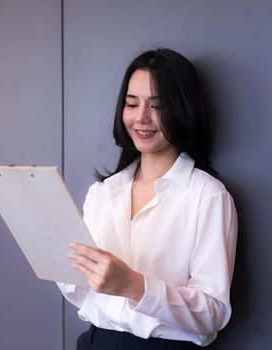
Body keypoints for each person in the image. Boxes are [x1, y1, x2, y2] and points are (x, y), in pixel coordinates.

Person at [57, 48, 238, 349]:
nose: (141, 118)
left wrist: (134, 285)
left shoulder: (208, 196)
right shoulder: (101, 194)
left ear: (182, 109)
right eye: (132, 103)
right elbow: (79, 291)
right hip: (96, 341)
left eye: (157, 106)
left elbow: (213, 312)